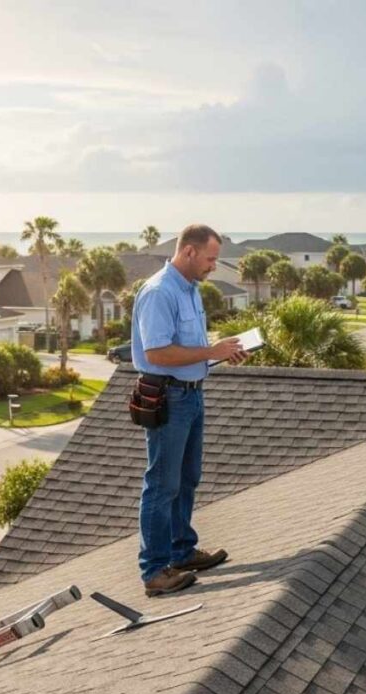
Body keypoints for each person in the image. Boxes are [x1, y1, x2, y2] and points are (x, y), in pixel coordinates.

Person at [131, 224, 247, 596]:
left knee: (187, 478)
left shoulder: (190, 290)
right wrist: (211, 352)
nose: (214, 266)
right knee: (162, 484)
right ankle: (154, 572)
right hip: (169, 398)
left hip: (193, 393)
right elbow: (157, 352)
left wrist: (221, 354)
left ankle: (181, 552)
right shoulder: (159, 292)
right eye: (211, 259)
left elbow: (188, 349)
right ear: (190, 252)